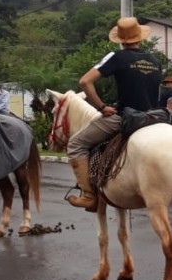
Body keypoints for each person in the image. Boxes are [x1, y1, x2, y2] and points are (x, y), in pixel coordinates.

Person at [66, 17, 162, 211]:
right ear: (140, 37)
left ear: (120, 39)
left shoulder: (117, 57)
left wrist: (101, 107)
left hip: (125, 118)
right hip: (154, 117)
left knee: (76, 144)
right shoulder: (154, 60)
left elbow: (85, 82)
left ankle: (89, 196)